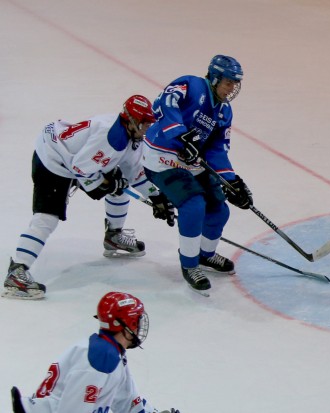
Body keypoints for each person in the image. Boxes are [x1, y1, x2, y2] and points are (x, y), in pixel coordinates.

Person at [3, 96, 176, 300]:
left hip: (74, 159)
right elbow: (83, 173)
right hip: (52, 158)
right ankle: (17, 272)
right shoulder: (112, 139)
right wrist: (108, 184)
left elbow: (133, 172)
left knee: (119, 184)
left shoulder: (129, 135)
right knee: (47, 217)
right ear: (132, 121)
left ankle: (114, 236)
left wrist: (156, 197)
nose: (148, 127)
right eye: (145, 123)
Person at [142, 55, 253, 296]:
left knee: (219, 209)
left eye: (235, 83)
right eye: (228, 82)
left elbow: (216, 148)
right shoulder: (191, 84)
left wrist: (231, 180)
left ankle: (205, 255)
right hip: (163, 158)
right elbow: (163, 103)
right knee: (194, 206)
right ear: (214, 78)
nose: (232, 88)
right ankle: (189, 264)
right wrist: (180, 135)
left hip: (192, 163)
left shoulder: (224, 111)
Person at [9, 291, 179, 413]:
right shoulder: (100, 359)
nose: (140, 326)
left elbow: (126, 401)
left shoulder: (112, 353)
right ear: (127, 324)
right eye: (137, 321)